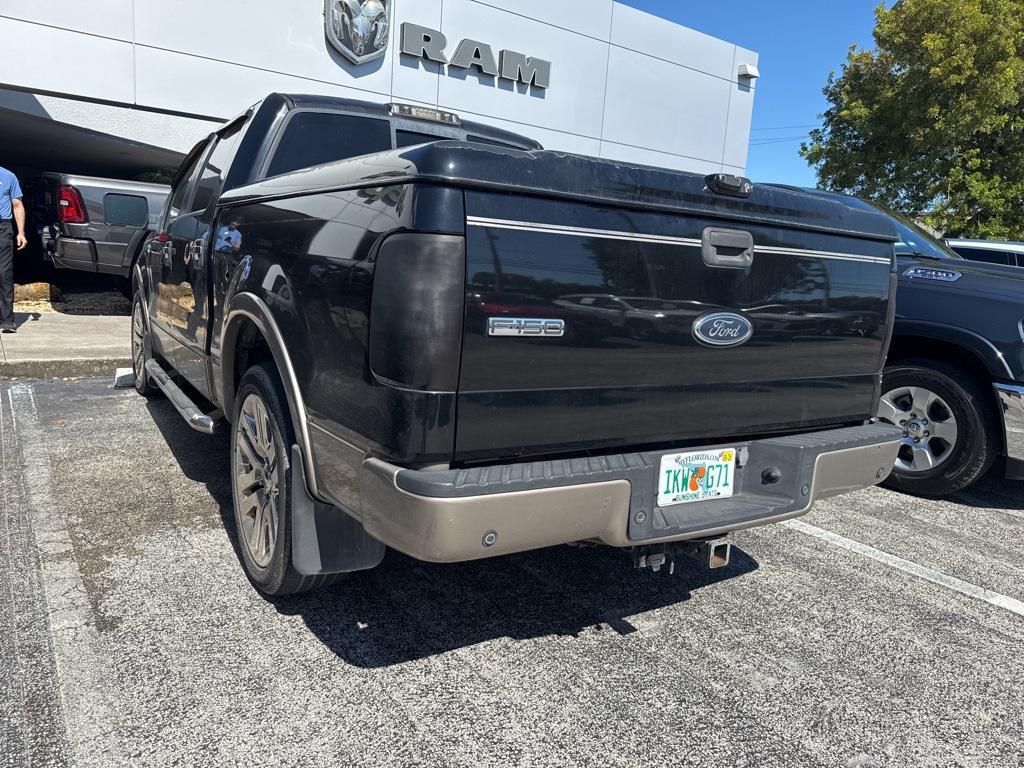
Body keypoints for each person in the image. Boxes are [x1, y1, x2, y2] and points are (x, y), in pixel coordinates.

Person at [0, 165, 27, 333]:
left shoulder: (8, 176)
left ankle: (7, 320)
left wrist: (21, 233)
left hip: (3, 228)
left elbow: (17, 205)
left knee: (4, 273)